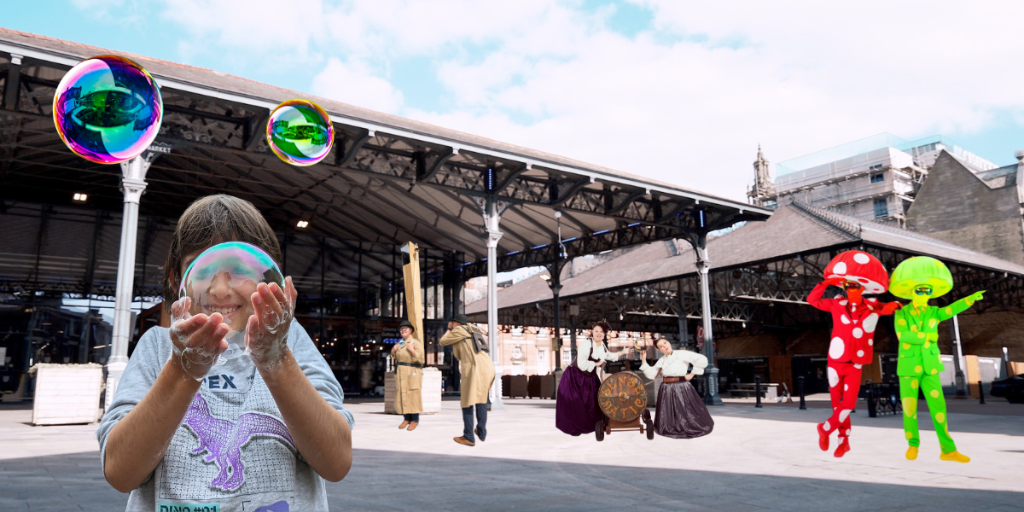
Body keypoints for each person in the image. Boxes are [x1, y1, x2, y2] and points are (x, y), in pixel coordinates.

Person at [96, 195, 354, 511]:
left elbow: (336, 463)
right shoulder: (156, 346)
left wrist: (276, 359)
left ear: (269, 279)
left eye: (238, 269)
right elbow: (121, 472)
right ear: (177, 280)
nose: (219, 289)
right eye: (201, 269)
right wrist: (183, 369)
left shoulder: (293, 343)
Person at [807, 251, 900, 458]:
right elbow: (812, 300)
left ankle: (826, 428)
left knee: (848, 404)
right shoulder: (836, 304)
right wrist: (824, 283)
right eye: (847, 285)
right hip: (835, 360)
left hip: (856, 362)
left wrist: (905, 302)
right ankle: (844, 441)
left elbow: (894, 308)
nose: (851, 288)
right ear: (843, 286)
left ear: (863, 287)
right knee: (838, 405)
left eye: (855, 285)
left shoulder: (873, 306)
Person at [889, 256, 982, 463]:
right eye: (920, 290)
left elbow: (952, 310)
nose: (924, 293)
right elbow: (903, 335)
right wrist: (928, 337)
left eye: (927, 290)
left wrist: (970, 299)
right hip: (909, 367)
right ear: (912, 292)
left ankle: (947, 449)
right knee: (909, 407)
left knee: (938, 407)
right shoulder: (901, 313)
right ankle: (913, 444)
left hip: (930, 366)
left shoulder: (934, 312)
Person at [638, 338, 714, 439]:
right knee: (670, 412)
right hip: (666, 389)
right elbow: (651, 374)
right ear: (660, 350)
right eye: (661, 346)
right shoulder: (662, 360)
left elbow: (701, 359)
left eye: (665, 343)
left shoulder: (682, 354)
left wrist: (691, 374)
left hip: (681, 387)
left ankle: (686, 428)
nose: (664, 346)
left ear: (668, 342)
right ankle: (672, 428)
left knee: (685, 410)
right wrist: (643, 359)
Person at [439, 314, 495, 447]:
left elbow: (443, 341)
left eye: (451, 322)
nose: (450, 324)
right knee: (481, 399)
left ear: (455, 323)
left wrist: (449, 329)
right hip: (487, 366)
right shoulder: (474, 330)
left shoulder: (458, 330)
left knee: (467, 401)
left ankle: (469, 436)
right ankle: (481, 432)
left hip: (474, 368)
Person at [555, 321, 619, 436]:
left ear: (604, 334)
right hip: (576, 377)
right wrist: (597, 363)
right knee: (575, 402)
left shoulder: (602, 345)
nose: (599, 333)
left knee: (595, 401)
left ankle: (594, 426)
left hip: (590, 378)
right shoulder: (586, 344)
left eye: (601, 332)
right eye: (596, 331)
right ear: (592, 332)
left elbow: (609, 355)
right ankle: (575, 428)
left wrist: (624, 351)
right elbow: (581, 364)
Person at [391, 319, 424, 431]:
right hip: (401, 372)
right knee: (402, 394)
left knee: (412, 394)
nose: (403, 330)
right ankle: (406, 418)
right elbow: (395, 357)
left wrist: (412, 351)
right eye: (401, 329)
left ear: (410, 331)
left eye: (406, 329)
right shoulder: (399, 343)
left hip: (412, 371)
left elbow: (421, 359)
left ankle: (414, 420)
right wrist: (393, 350)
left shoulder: (415, 343)